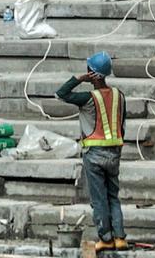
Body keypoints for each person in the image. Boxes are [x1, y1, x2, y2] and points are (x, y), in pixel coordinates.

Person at [57, 52, 127, 253]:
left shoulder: (88, 98)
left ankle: (106, 238)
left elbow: (60, 94)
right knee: (113, 196)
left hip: (94, 153)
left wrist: (79, 79)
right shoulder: (119, 95)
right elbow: (122, 122)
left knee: (99, 199)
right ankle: (120, 238)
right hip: (114, 152)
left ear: (91, 73)